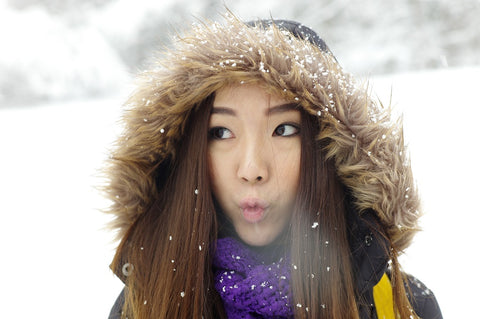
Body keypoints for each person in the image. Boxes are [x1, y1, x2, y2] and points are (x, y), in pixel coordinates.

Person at [104, 13, 442, 319]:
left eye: (283, 130)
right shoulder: (145, 306)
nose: (252, 168)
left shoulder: (402, 306)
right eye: (221, 132)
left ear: (330, 151)